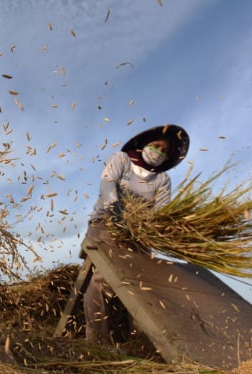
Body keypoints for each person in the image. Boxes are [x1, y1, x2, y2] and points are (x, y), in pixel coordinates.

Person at [82, 124, 190, 345]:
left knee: (144, 283)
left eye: (165, 151)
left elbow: (160, 211)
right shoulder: (122, 160)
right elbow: (107, 184)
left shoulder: (162, 180)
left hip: (138, 234)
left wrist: (160, 230)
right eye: (157, 146)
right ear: (144, 144)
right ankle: (97, 341)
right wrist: (116, 211)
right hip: (106, 224)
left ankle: (141, 342)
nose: (159, 152)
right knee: (104, 278)